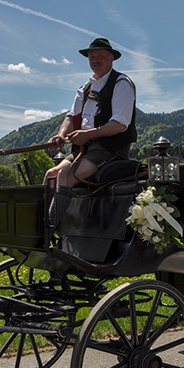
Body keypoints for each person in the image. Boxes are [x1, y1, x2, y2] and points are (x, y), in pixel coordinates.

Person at [44, 37, 137, 227]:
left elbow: (120, 124)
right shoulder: (84, 89)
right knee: (51, 174)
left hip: (110, 150)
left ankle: (50, 229)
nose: (95, 60)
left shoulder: (121, 83)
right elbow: (71, 117)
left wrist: (88, 135)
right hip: (83, 150)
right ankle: (44, 226)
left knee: (67, 176)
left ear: (112, 58)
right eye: (92, 56)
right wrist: (62, 135)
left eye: (100, 56)